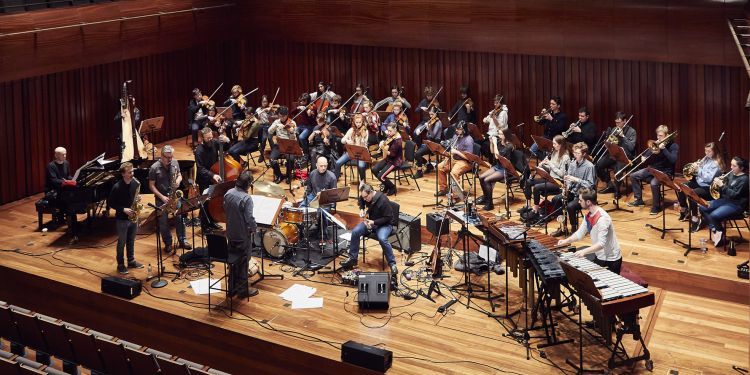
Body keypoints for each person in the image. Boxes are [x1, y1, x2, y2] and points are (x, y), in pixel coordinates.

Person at [557, 188, 623, 274]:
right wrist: (565, 241)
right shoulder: (588, 216)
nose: (578, 202)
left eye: (580, 200)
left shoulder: (602, 219)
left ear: (588, 202)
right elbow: (579, 234)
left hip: (611, 260)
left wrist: (584, 252)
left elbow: (601, 244)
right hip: (600, 255)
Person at [340, 183, 399, 279]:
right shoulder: (365, 196)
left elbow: (388, 218)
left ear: (371, 193)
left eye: (366, 197)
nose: (364, 199)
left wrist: (373, 222)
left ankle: (392, 264)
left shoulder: (383, 200)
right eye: (363, 197)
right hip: (371, 223)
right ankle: (352, 259)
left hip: (384, 224)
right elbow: (360, 200)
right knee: (355, 232)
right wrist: (362, 209)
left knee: (382, 239)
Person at [626, 125, 679, 214]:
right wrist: (644, 157)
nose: (658, 138)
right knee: (633, 176)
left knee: (654, 183)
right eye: (657, 135)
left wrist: (664, 149)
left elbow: (673, 160)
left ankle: (656, 207)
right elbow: (649, 152)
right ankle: (638, 200)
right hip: (653, 169)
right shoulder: (656, 143)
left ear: (666, 135)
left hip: (666, 172)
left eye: (661, 136)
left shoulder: (673, 146)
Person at [223, 170, 259, 298]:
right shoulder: (246, 198)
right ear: (248, 185)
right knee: (243, 262)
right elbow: (249, 218)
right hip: (242, 236)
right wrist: (254, 228)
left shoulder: (228, 193)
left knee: (232, 262)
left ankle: (231, 289)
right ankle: (243, 291)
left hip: (231, 233)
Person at [698, 157, 749, 247]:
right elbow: (724, 191)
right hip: (726, 200)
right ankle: (716, 230)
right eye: (731, 165)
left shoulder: (745, 179)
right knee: (703, 207)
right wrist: (718, 183)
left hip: (737, 205)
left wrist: (722, 186)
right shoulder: (731, 174)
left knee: (714, 215)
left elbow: (734, 195)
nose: (731, 167)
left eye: (734, 166)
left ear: (741, 168)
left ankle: (720, 233)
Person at [148, 145, 190, 253]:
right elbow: (151, 185)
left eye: (171, 157)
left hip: (174, 196)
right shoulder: (154, 168)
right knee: (163, 222)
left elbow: (179, 175)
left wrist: (178, 180)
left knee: (180, 218)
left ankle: (182, 240)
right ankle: (168, 243)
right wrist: (162, 197)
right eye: (167, 157)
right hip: (161, 198)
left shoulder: (175, 162)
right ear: (161, 156)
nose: (170, 159)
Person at [551, 142, 596, 236]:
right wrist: (566, 186)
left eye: (578, 153)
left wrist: (576, 180)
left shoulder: (589, 166)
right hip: (573, 191)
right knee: (556, 200)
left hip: (583, 194)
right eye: (574, 153)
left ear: (584, 154)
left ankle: (574, 229)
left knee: (570, 206)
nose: (575, 155)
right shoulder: (572, 164)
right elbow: (569, 179)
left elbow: (590, 185)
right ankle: (562, 226)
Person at [521, 135, 570, 221]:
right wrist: (543, 165)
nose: (553, 145)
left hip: (558, 182)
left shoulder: (565, 157)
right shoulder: (554, 152)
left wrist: (550, 164)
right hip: (550, 178)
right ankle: (528, 205)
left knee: (536, 188)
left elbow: (562, 174)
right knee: (528, 182)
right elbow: (550, 169)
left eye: (554, 144)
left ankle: (535, 210)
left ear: (560, 145)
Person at [107, 162, 144, 274]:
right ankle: (121, 264)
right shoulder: (117, 187)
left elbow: (135, 197)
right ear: (123, 174)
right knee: (122, 242)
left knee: (131, 240)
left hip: (133, 216)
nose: (132, 174)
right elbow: (111, 203)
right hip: (122, 219)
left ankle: (131, 261)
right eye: (129, 172)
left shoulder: (135, 183)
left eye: (132, 171)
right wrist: (123, 209)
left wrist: (138, 200)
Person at [677, 142, 723, 230]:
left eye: (709, 151)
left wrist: (698, 170)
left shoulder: (716, 164)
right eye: (705, 151)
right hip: (699, 183)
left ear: (715, 151)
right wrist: (695, 166)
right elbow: (700, 173)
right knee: (682, 187)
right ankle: (684, 209)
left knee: (692, 194)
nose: (706, 153)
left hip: (708, 188)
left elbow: (708, 179)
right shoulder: (706, 159)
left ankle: (695, 219)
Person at [195, 127, 230, 230]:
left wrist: (227, 140)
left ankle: (212, 222)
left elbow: (227, 147)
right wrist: (212, 175)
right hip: (204, 179)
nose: (210, 139)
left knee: (212, 201)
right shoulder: (199, 151)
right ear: (202, 138)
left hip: (214, 176)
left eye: (211, 137)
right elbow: (200, 169)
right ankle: (204, 225)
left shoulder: (214, 142)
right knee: (205, 202)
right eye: (208, 138)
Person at [596, 111, 637, 197]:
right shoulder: (614, 129)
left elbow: (631, 148)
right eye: (616, 122)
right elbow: (611, 144)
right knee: (598, 165)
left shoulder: (632, 131)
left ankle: (617, 191)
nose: (617, 124)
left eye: (619, 122)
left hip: (626, 156)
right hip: (615, 154)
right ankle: (610, 184)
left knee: (618, 169)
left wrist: (623, 137)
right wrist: (608, 143)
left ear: (624, 121)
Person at [477, 129, 515, 211]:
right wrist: (491, 143)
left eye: (501, 134)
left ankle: (490, 204)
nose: (499, 136)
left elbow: (498, 156)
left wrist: (494, 143)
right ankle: (486, 198)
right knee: (481, 177)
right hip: (498, 166)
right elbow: (492, 152)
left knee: (487, 180)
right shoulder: (499, 142)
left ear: (506, 136)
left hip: (505, 169)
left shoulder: (509, 146)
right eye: (499, 134)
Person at [435, 121, 474, 196]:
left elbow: (470, 157)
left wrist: (456, 152)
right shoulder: (456, 136)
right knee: (439, 167)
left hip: (465, 161)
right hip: (454, 159)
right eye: (456, 129)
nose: (456, 130)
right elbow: (452, 147)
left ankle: (456, 195)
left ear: (464, 130)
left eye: (459, 129)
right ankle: (443, 189)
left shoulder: (469, 140)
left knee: (454, 173)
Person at [335, 113, 369, 181]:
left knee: (361, 166)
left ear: (362, 122)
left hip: (361, 153)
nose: (358, 124)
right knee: (337, 163)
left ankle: (362, 182)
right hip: (352, 152)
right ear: (354, 122)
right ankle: (334, 180)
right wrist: (347, 141)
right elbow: (342, 140)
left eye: (360, 122)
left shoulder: (365, 131)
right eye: (357, 122)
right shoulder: (351, 130)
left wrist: (362, 141)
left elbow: (365, 144)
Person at [268, 106, 298, 184]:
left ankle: (288, 175)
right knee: (272, 160)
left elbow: (293, 138)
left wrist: (291, 132)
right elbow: (270, 131)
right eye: (280, 116)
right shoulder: (276, 122)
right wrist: (276, 126)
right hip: (278, 145)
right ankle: (279, 175)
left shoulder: (292, 123)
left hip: (289, 145)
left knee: (291, 159)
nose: (282, 118)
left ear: (287, 115)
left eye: (284, 116)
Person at [372, 123, 403, 196]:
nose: (388, 133)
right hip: (388, 159)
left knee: (381, 176)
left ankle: (392, 187)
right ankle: (386, 185)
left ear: (395, 130)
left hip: (395, 162)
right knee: (374, 169)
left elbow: (392, 154)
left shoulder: (398, 140)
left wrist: (383, 148)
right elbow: (387, 144)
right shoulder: (391, 136)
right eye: (388, 131)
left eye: (390, 131)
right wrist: (382, 143)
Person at [414, 106, 443, 179]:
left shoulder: (438, 123)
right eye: (430, 114)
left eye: (432, 114)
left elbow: (433, 135)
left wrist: (429, 128)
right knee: (416, 154)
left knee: (418, 154)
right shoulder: (431, 121)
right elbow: (424, 128)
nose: (430, 116)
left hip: (435, 144)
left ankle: (419, 172)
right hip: (429, 142)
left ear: (436, 114)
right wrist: (419, 129)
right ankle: (428, 165)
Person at [482, 94, 508, 162]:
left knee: (486, 145)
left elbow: (501, 127)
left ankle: (494, 161)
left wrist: (494, 118)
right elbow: (486, 119)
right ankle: (491, 160)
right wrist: (486, 119)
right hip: (490, 133)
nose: (495, 104)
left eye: (497, 103)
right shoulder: (495, 110)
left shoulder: (503, 113)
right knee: (481, 142)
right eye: (494, 102)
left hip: (498, 134)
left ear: (501, 103)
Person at [254, 94, 277, 163]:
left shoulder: (271, 109)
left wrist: (270, 111)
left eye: (266, 102)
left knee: (270, 138)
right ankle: (261, 155)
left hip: (271, 126)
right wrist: (263, 110)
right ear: (261, 102)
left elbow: (276, 117)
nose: (265, 103)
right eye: (263, 102)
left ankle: (274, 155)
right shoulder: (258, 109)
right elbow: (256, 117)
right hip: (263, 127)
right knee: (263, 139)